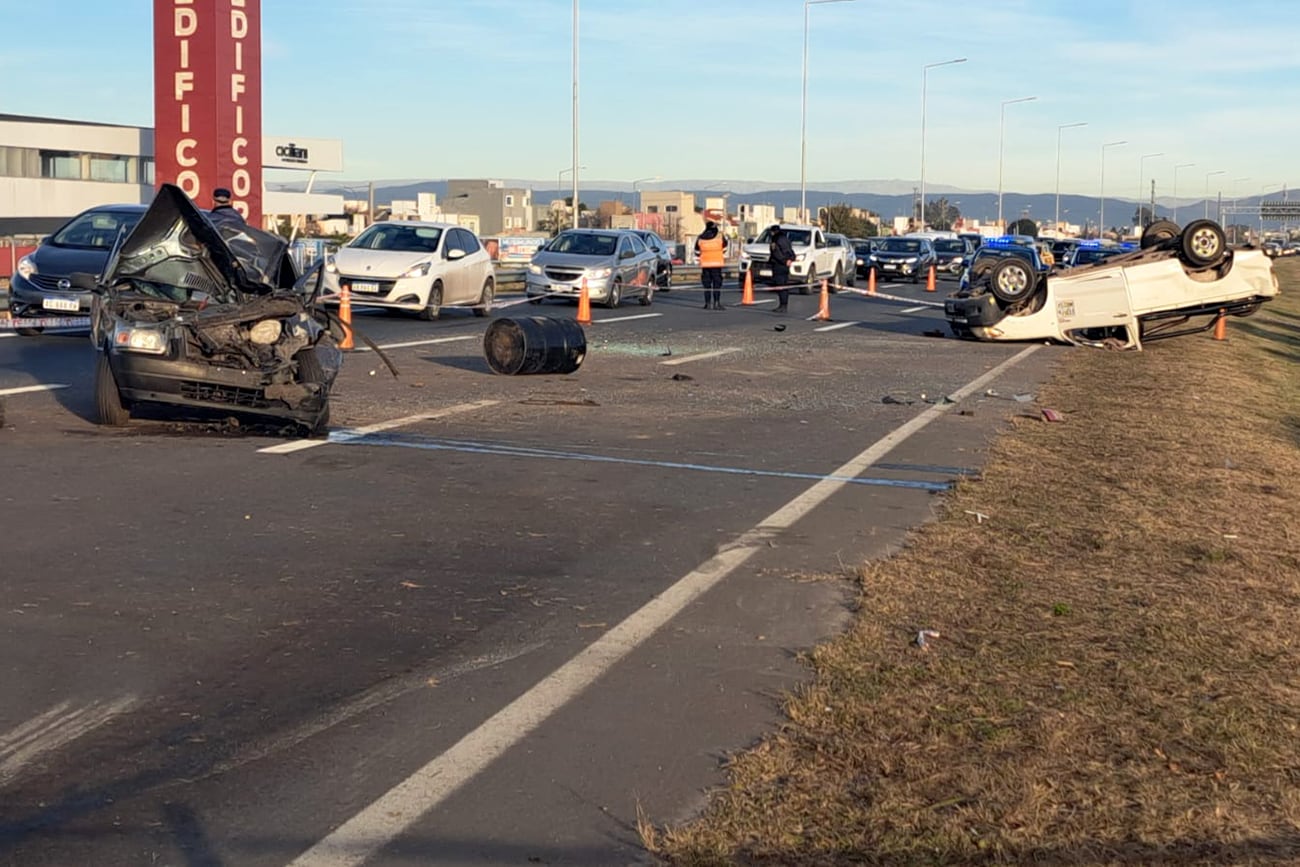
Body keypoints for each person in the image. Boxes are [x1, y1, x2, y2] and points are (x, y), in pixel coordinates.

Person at [694, 220, 728, 310]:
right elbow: (725, 249)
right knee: (717, 284)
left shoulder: (700, 237)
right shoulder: (720, 236)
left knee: (707, 284)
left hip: (705, 264)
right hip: (717, 264)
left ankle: (707, 304)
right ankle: (716, 303)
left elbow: (697, 252)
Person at [767, 224, 796, 313]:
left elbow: (776, 254)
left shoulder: (775, 240)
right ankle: (784, 304)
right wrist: (790, 259)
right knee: (784, 285)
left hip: (779, 265)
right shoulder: (786, 239)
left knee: (780, 285)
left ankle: (782, 305)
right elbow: (791, 252)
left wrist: (783, 261)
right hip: (785, 266)